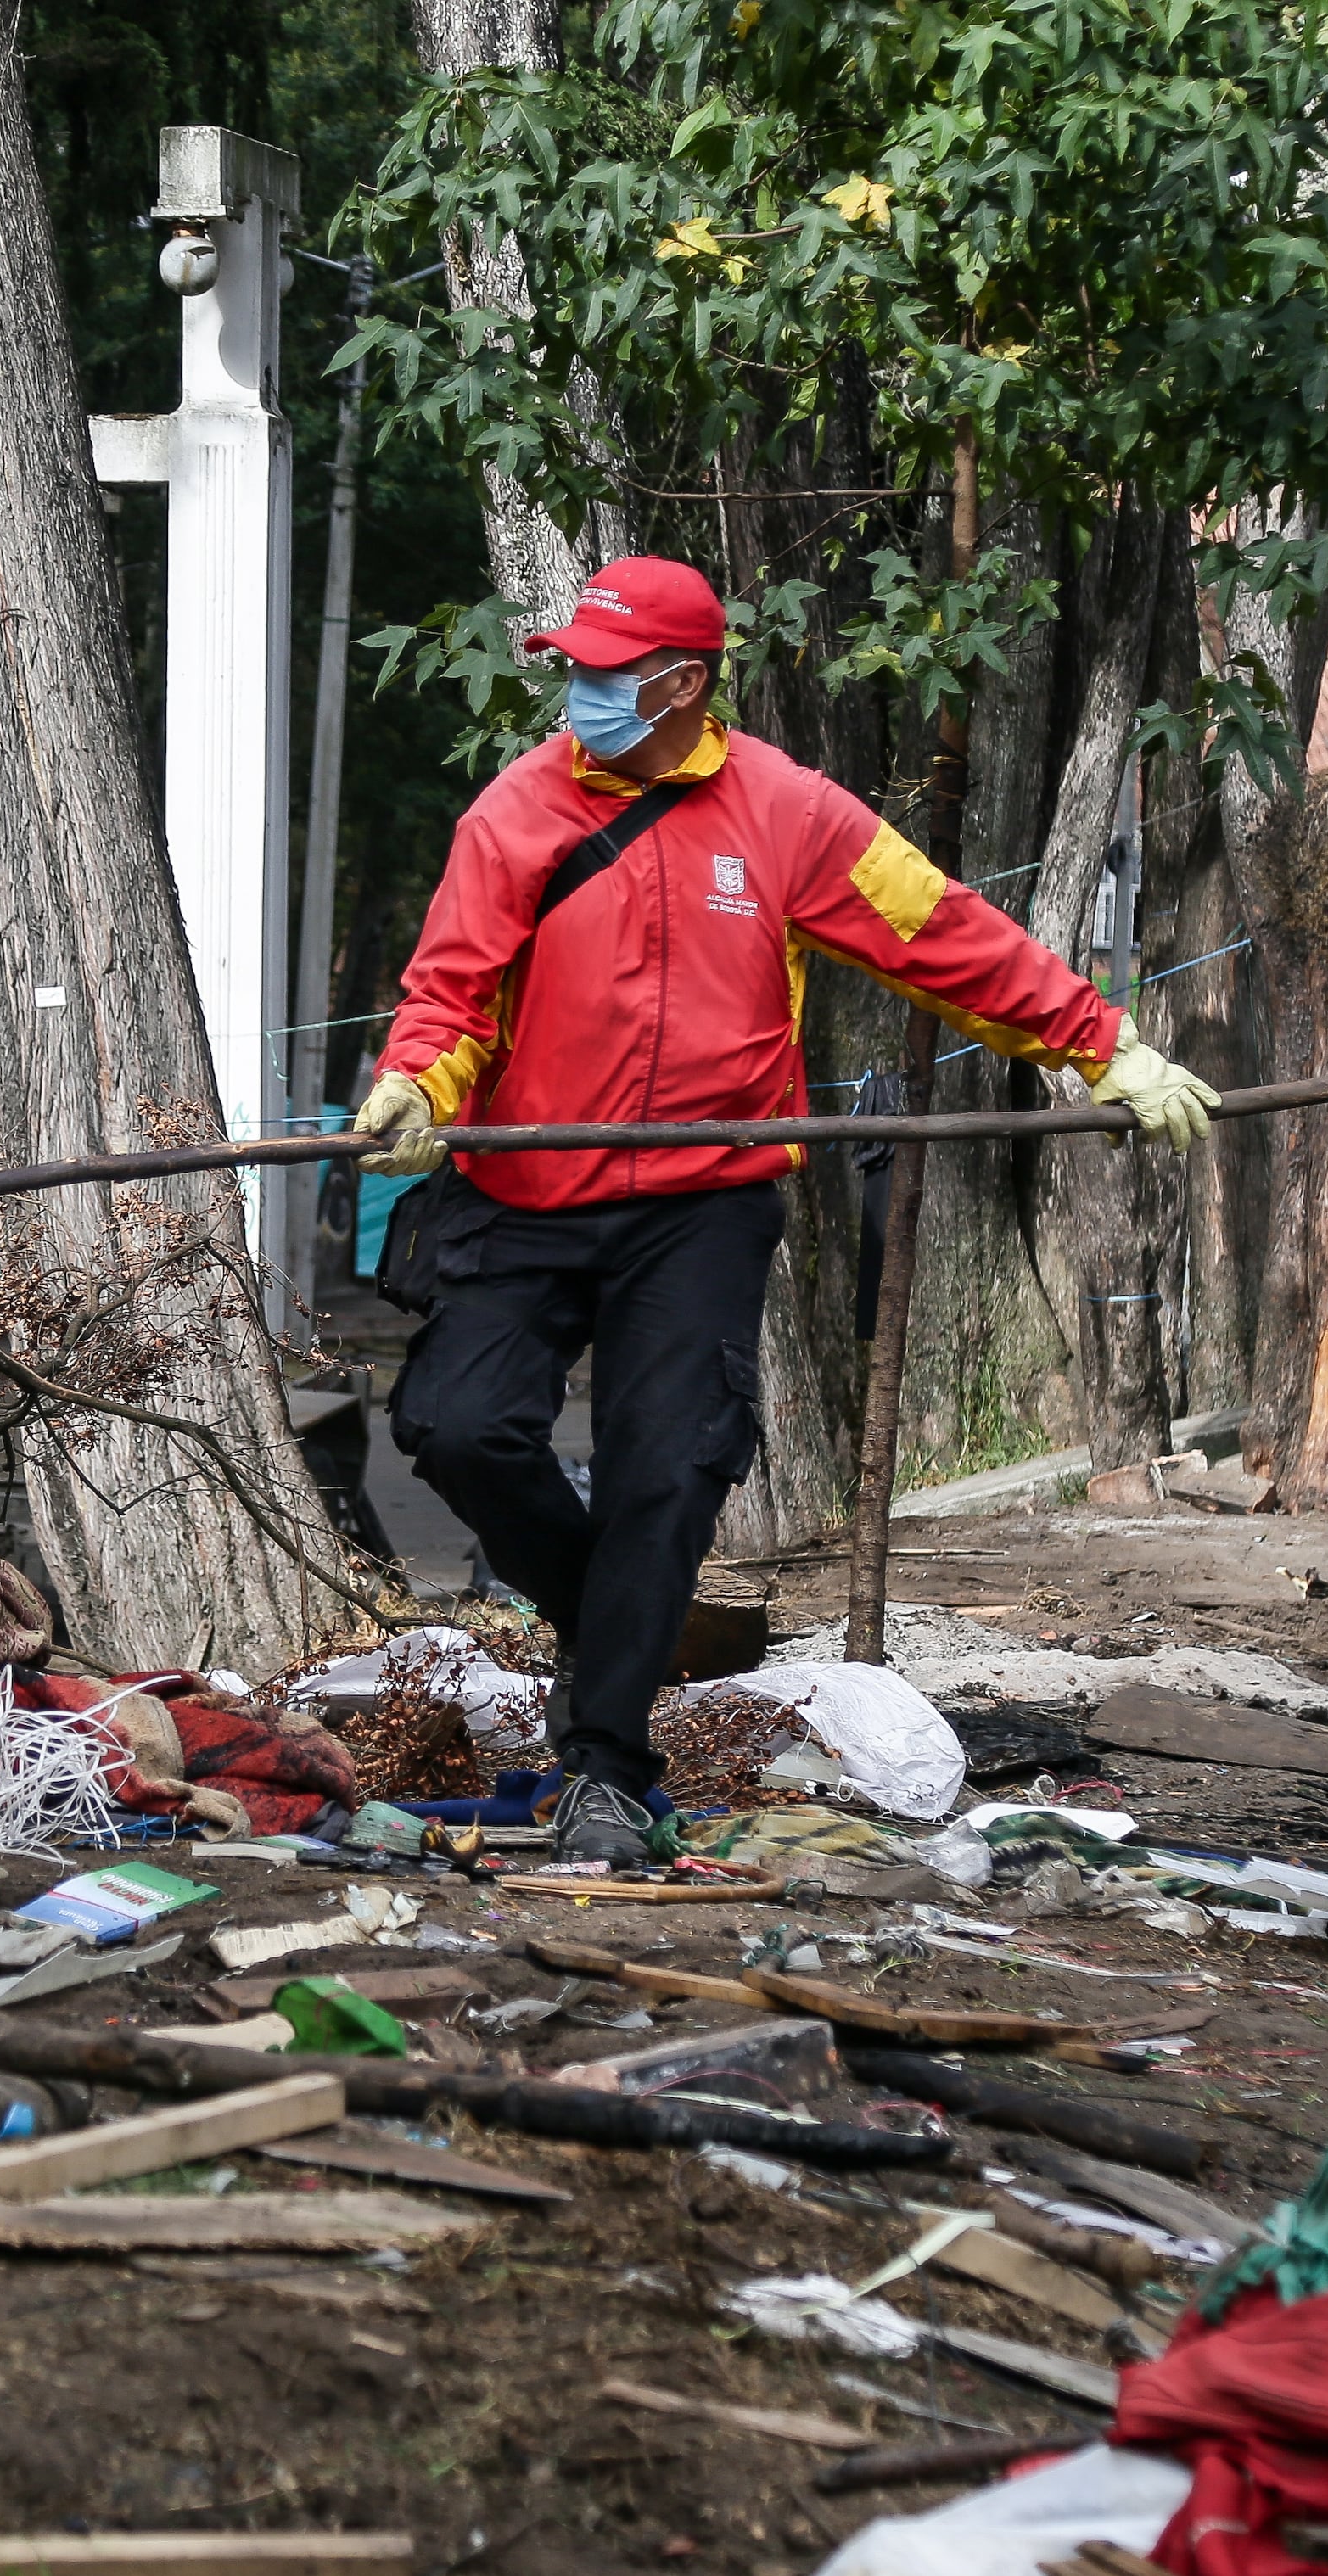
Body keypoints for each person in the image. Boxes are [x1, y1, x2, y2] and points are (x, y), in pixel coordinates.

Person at [351, 555, 1215, 1871]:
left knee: (673, 1466)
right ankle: (616, 1615)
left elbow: (947, 935)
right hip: (524, 1187)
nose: (575, 695)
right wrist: (417, 1083)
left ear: (686, 684)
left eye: (603, 675)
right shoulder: (514, 814)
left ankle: (606, 1771)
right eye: (571, 669)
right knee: (453, 1424)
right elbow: (452, 994)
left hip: (703, 1202)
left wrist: (1104, 1048)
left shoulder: (790, 816)